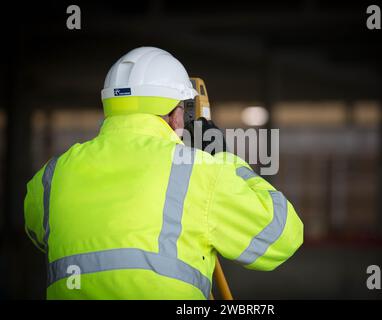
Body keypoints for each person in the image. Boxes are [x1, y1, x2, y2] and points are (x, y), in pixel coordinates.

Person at [24, 47, 304, 299]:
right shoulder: (197, 171)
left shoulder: (52, 176)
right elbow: (282, 235)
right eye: (183, 109)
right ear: (174, 114)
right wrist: (221, 156)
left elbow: (42, 233)